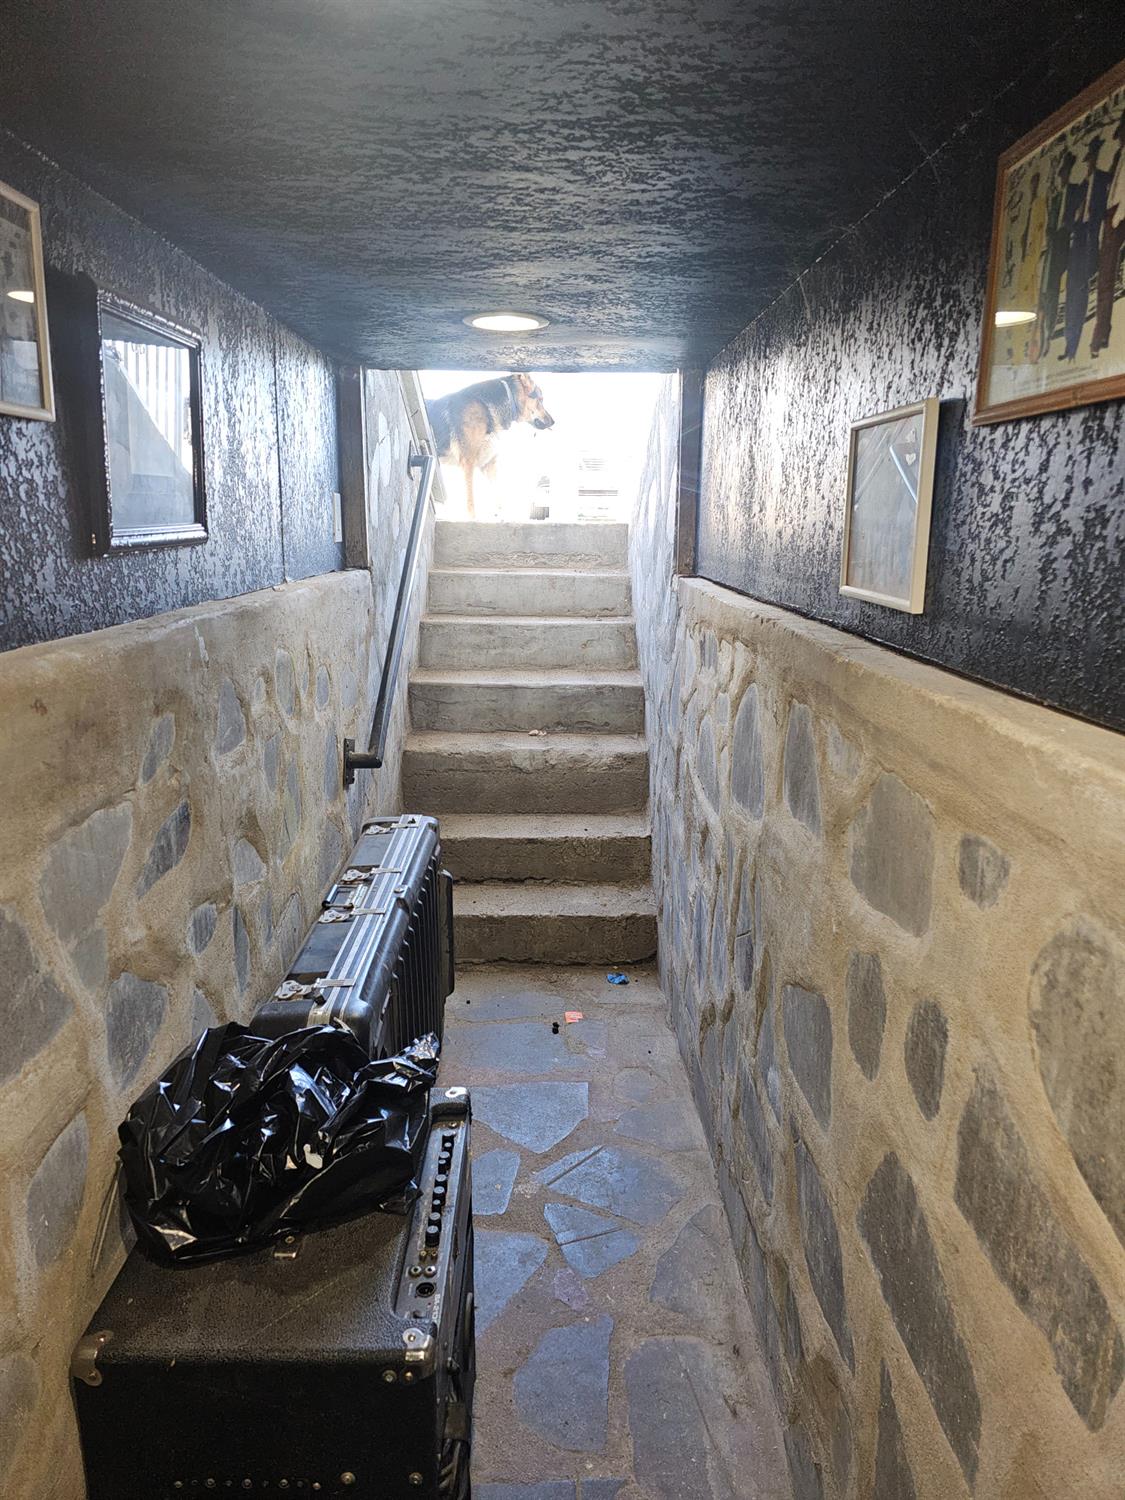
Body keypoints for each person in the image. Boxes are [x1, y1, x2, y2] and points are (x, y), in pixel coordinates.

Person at [1090, 110, 1125, 358]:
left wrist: (1115, 217)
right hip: (1113, 216)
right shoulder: (1118, 155)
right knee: (1105, 279)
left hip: (1119, 217)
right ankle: (1101, 334)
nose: (1120, 137)